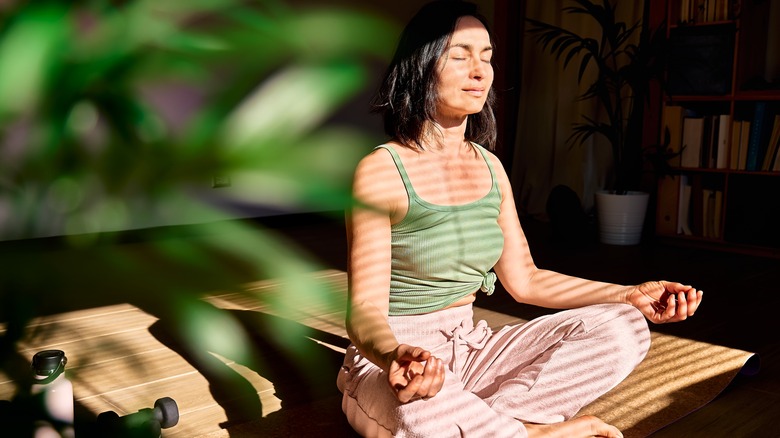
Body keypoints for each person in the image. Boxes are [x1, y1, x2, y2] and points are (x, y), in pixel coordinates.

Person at [336, 1, 703, 437]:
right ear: (420, 67)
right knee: (418, 415)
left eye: (487, 57)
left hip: (472, 349)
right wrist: (396, 355)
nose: (480, 71)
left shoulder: (490, 167)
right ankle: (526, 430)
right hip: (398, 362)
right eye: (459, 55)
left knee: (624, 327)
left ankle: (506, 425)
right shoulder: (381, 171)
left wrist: (628, 295)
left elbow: (526, 280)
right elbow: (364, 310)